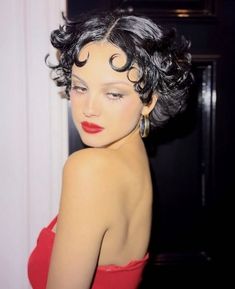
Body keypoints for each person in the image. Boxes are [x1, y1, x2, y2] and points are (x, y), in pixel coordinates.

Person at [28, 10, 193, 289]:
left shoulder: (89, 168)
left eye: (113, 93)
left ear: (149, 101)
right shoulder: (135, 158)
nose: (89, 109)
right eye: (80, 88)